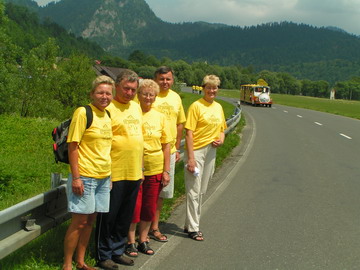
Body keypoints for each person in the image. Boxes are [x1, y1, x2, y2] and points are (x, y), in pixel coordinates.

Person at [63, 75, 114, 270]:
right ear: (92, 94)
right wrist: (76, 177)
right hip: (85, 176)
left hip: (103, 177)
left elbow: (106, 148)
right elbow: (73, 145)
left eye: (108, 93)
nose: (104, 96)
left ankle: (81, 261)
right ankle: (67, 265)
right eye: (100, 92)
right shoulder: (83, 112)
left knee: (91, 221)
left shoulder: (107, 115)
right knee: (79, 222)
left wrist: (109, 176)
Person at [95, 69, 143, 270]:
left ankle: (117, 250)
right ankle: (103, 254)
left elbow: (139, 139)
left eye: (133, 90)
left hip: (133, 171)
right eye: (126, 89)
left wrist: (140, 169)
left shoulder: (136, 107)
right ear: (117, 87)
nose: (130, 93)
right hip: (114, 172)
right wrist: (109, 174)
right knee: (109, 217)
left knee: (124, 216)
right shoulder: (108, 108)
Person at [126, 79, 171, 256]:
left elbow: (166, 145)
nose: (148, 97)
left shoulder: (160, 117)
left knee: (149, 207)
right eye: (144, 93)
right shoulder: (133, 112)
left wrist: (166, 171)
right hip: (134, 167)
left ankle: (143, 239)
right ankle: (130, 241)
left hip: (155, 168)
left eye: (151, 94)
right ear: (138, 95)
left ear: (155, 96)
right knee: (134, 206)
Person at [184, 74, 227, 241]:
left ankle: (189, 224)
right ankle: (194, 228)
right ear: (203, 88)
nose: (212, 90)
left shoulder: (218, 107)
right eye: (208, 87)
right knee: (193, 190)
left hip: (211, 151)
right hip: (197, 151)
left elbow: (222, 128)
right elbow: (189, 133)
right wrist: (191, 158)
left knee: (201, 190)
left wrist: (221, 139)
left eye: (214, 87)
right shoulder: (196, 106)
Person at [149, 66, 186, 242]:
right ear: (155, 79)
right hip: (148, 151)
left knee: (161, 192)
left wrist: (177, 147)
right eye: (161, 79)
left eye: (168, 79)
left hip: (168, 151)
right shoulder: (148, 95)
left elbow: (180, 124)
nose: (165, 82)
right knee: (145, 191)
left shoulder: (176, 97)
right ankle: (139, 229)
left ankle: (154, 227)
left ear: (172, 80)